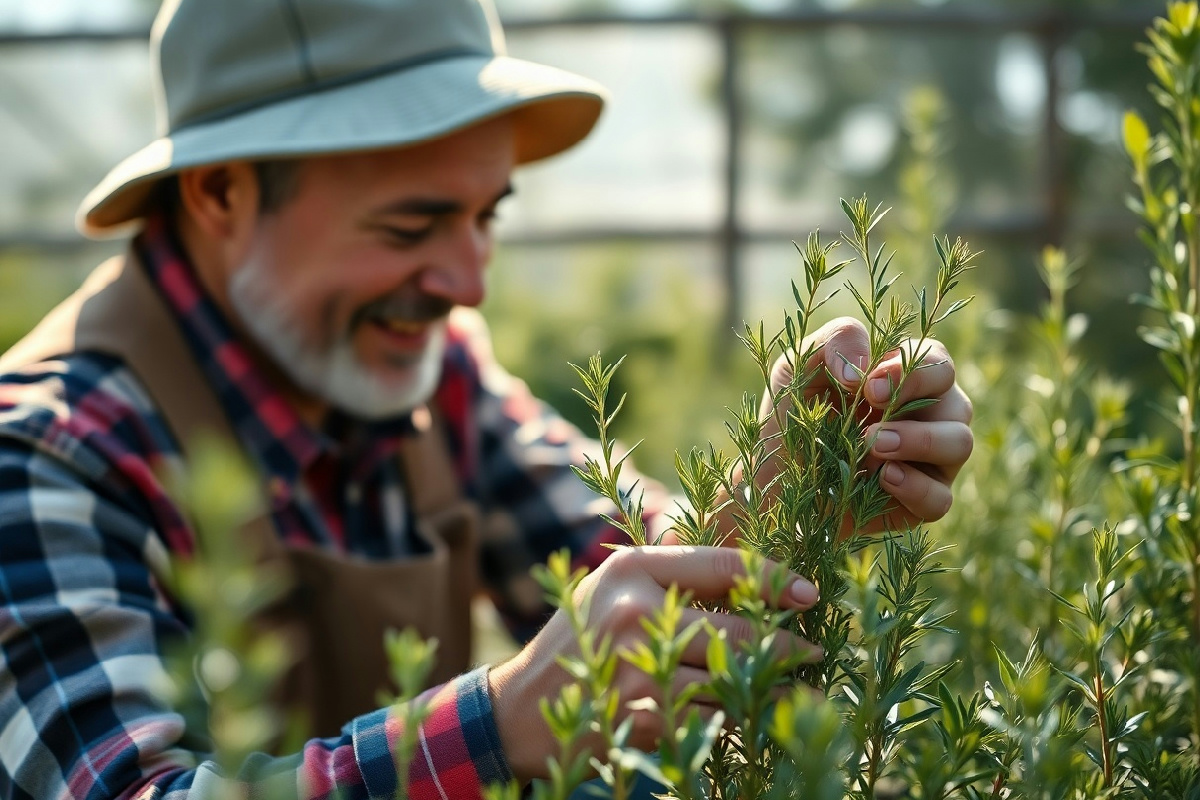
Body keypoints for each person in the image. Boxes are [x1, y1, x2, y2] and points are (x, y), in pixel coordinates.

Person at [0, 0, 973, 798]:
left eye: (484, 216)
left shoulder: (436, 372)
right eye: (413, 222)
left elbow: (624, 571)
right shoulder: (47, 454)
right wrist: (499, 722)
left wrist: (777, 503)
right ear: (220, 193)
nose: (468, 281)